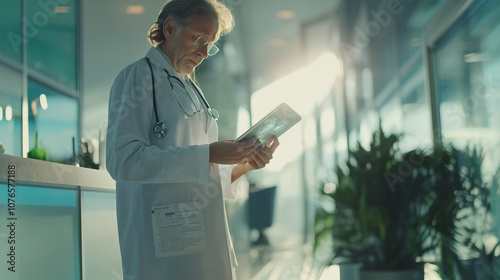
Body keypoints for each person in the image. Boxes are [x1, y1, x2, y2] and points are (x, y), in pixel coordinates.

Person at [105, 0, 279, 279]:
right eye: (199, 39)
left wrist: (245, 164)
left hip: (202, 243)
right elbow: (123, 160)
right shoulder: (138, 77)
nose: (205, 52)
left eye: (211, 44)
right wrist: (209, 153)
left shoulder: (192, 89)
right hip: (162, 249)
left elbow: (205, 175)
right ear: (171, 28)